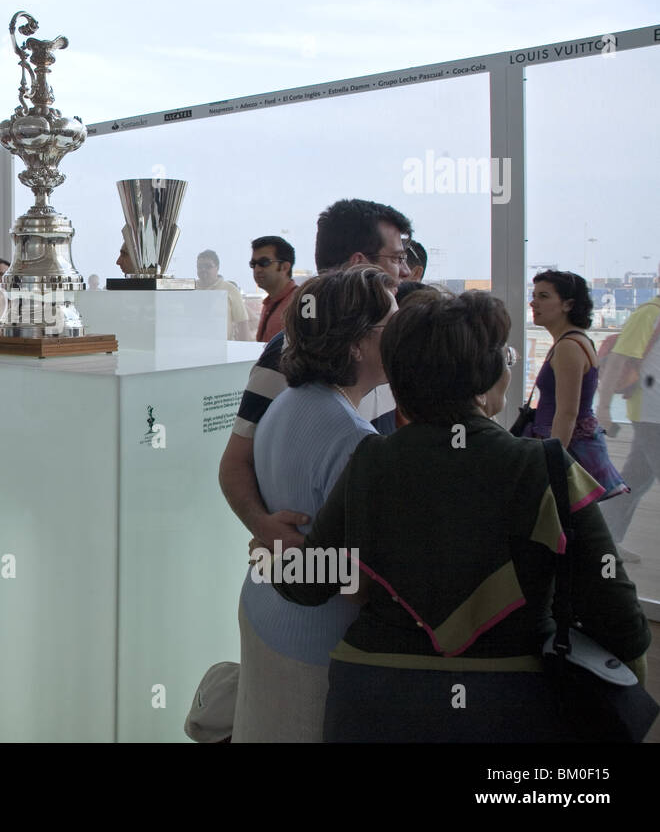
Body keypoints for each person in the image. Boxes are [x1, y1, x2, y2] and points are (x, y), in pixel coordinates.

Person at [271, 292, 651, 741]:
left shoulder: (371, 461)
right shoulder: (545, 468)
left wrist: (272, 551)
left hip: (375, 699)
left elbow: (307, 585)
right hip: (512, 700)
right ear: (492, 374)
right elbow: (622, 624)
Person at [232, 266, 397, 742]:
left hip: (265, 610)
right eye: (392, 327)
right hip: (313, 643)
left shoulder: (290, 401)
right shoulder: (353, 437)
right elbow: (356, 581)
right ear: (356, 344)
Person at [219, 198, 413, 551]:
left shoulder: (385, 348)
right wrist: (267, 529)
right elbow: (234, 463)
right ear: (358, 264)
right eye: (397, 258)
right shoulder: (289, 350)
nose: (406, 270)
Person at [525, 270, 627, 500]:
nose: (533, 302)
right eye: (534, 295)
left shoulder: (568, 346)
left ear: (568, 304)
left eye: (543, 296)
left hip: (568, 450)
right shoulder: (575, 340)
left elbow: (567, 413)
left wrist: (554, 465)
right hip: (570, 446)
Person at [597, 288, 660, 557]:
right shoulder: (649, 313)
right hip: (651, 414)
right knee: (637, 478)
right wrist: (603, 408)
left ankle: (604, 541)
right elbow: (617, 361)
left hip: (653, 415)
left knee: (636, 479)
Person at [250, 236, 297, 343]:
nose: (257, 269)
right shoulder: (269, 303)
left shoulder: (301, 303)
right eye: (253, 264)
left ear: (285, 267)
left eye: (264, 262)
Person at [196, 250, 251, 341]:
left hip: (222, 350)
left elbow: (242, 324)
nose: (203, 270)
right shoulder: (191, 290)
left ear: (217, 268)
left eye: (208, 266)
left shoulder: (231, 290)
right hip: (194, 347)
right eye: (200, 267)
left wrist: (242, 350)